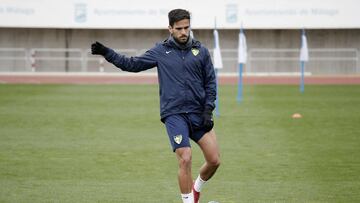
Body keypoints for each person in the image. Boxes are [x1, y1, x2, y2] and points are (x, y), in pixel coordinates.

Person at [91, 8, 220, 203]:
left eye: (187, 27)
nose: (184, 32)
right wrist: (106, 52)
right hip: (174, 114)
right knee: (185, 157)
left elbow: (210, 82)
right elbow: (131, 64)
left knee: (214, 161)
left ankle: (196, 189)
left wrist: (208, 109)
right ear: (170, 28)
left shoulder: (200, 51)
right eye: (179, 28)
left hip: (198, 113)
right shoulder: (161, 51)